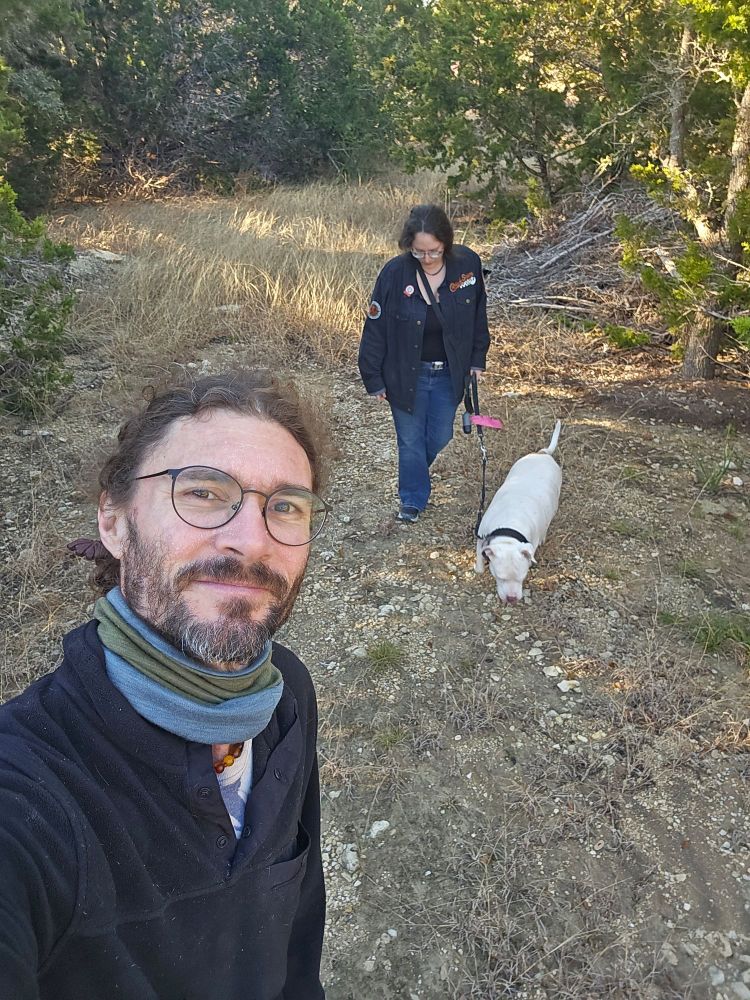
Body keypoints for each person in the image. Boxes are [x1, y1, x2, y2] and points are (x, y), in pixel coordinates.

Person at [0, 371, 329, 1000]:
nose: (252, 540)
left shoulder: (285, 696)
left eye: (285, 506)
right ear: (114, 521)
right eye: (203, 493)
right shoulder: (32, 791)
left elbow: (299, 931)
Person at [358, 203, 490, 523]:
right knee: (410, 440)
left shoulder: (467, 265)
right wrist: (373, 377)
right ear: (409, 246)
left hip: (449, 372)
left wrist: (477, 358)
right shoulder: (394, 273)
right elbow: (375, 327)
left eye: (434, 251)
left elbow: (478, 315)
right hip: (405, 374)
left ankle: (415, 474)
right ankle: (412, 499)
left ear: (446, 242)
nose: (427, 258)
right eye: (419, 252)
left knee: (440, 435)